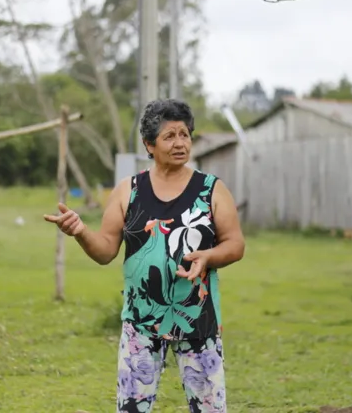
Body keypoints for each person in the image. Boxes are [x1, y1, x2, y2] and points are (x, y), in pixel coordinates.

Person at [43, 99, 245, 413]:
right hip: (140, 322)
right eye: (170, 136)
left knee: (209, 409)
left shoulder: (211, 189)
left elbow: (235, 244)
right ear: (148, 145)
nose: (180, 143)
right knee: (132, 409)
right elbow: (106, 251)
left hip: (197, 319)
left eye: (185, 135)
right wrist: (81, 231)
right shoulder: (128, 190)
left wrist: (209, 257)